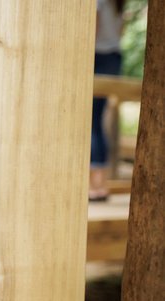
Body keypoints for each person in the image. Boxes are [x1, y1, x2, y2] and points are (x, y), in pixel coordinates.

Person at [90, 0, 125, 201]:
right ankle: (101, 184)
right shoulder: (118, 3)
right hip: (114, 58)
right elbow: (120, 31)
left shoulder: (99, 1)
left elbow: (92, 31)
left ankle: (94, 185)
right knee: (98, 121)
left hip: (98, 57)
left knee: (92, 123)